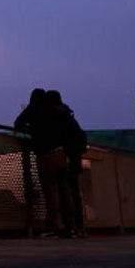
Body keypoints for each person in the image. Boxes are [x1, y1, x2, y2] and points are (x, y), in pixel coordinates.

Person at [14, 88, 75, 238]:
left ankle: (54, 226)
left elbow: (18, 122)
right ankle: (70, 226)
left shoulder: (36, 109)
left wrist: (30, 131)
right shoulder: (61, 111)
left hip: (47, 153)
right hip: (62, 154)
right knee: (65, 190)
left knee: (50, 190)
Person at [47, 89, 88, 238]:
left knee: (61, 192)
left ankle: (66, 226)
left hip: (63, 158)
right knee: (74, 193)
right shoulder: (68, 116)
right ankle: (78, 227)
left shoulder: (54, 117)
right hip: (74, 159)